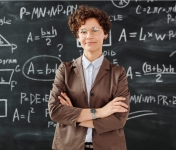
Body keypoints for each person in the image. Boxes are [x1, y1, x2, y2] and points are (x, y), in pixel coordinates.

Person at [48, 5, 130, 150]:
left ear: (105, 33)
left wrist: (74, 116)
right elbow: (55, 111)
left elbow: (118, 119)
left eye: (95, 30)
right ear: (78, 36)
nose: (89, 36)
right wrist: (101, 112)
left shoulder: (118, 73)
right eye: (83, 31)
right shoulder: (65, 70)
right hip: (69, 146)